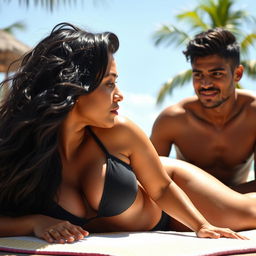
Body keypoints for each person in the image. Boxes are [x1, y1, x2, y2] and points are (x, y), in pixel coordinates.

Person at [0, 23, 255, 244]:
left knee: (250, 212)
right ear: (74, 87)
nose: (120, 94)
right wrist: (34, 222)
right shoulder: (21, 148)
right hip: (149, 217)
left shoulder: (120, 131)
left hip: (173, 196)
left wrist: (201, 225)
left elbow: (162, 188)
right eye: (109, 84)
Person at [151, 27, 256, 194]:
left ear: (237, 74)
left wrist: (222, 200)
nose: (205, 84)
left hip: (240, 203)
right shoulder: (173, 119)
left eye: (216, 74)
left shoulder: (253, 115)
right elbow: (149, 179)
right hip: (189, 209)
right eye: (198, 75)